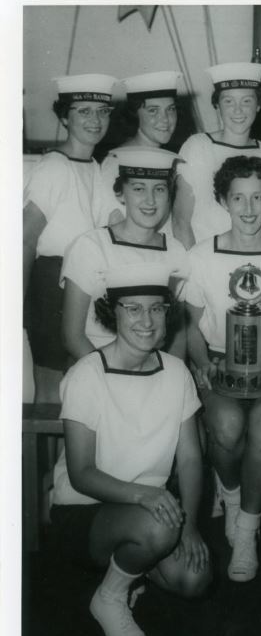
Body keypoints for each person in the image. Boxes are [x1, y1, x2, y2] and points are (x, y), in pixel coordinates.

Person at [50, 264, 211, 636]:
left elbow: (191, 459)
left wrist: (188, 526)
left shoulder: (175, 373)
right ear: (113, 312)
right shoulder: (87, 375)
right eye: (133, 309)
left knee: (195, 578)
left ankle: (131, 567)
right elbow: (81, 474)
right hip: (84, 513)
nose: (147, 320)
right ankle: (109, 596)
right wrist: (144, 497)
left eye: (156, 309)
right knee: (157, 528)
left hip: (150, 512)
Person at [185, 155, 261, 582]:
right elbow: (190, 325)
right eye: (239, 197)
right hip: (222, 363)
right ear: (223, 200)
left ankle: (247, 531)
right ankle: (234, 499)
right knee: (225, 424)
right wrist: (202, 364)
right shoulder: (202, 255)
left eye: (258, 196)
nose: (249, 208)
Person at [23, 73, 116, 402]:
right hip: (50, 284)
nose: (95, 120)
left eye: (102, 112)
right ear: (64, 117)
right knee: (50, 386)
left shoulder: (92, 165)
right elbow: (24, 238)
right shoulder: (54, 167)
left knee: (78, 389)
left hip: (83, 285)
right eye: (84, 111)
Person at [61, 146, 189, 361]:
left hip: (154, 369)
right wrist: (110, 376)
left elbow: (178, 335)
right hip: (97, 365)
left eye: (159, 189)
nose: (150, 200)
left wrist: (168, 375)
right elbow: (72, 337)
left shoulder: (176, 251)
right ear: (120, 194)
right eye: (139, 189)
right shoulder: (91, 246)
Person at [172, 62, 261, 249]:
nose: (237, 110)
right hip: (204, 258)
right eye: (228, 101)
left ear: (258, 105)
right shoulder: (198, 146)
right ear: (217, 105)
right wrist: (194, 270)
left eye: (246, 101)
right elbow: (180, 221)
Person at [100, 71, 182, 229]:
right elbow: (114, 225)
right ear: (135, 114)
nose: (165, 119)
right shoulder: (117, 161)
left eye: (170, 109)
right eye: (153, 110)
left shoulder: (170, 160)